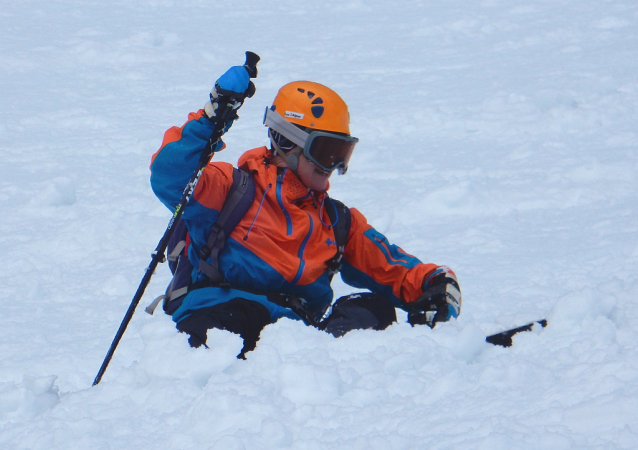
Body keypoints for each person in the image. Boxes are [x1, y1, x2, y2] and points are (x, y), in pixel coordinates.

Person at [149, 64, 462, 358]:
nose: (334, 166)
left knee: (373, 308)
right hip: (223, 314)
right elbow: (170, 177)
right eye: (326, 152)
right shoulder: (230, 189)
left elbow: (388, 266)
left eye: (343, 154)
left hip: (297, 337)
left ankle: (331, 368)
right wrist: (209, 120)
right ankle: (215, 370)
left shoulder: (336, 221)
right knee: (245, 315)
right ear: (287, 142)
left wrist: (433, 283)